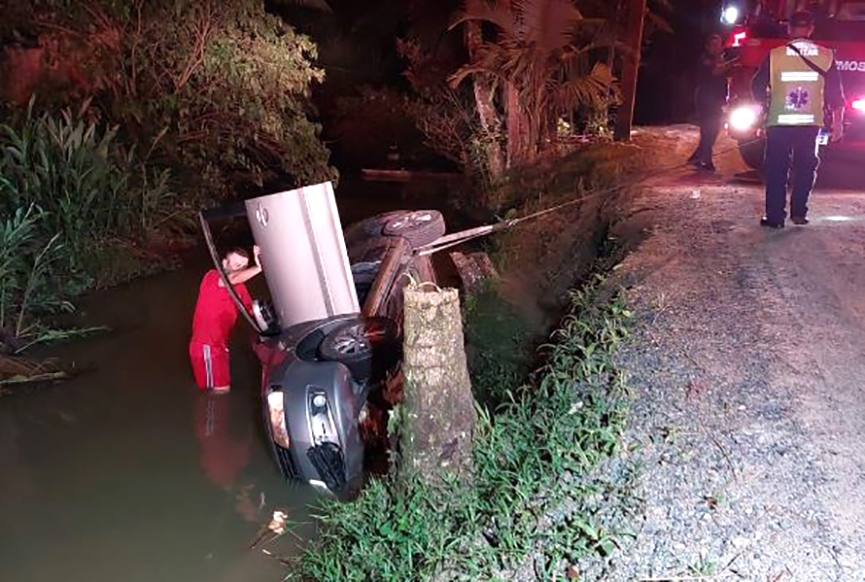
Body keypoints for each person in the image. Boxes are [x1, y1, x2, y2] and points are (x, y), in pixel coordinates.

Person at [751, 10, 845, 228]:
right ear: (810, 29)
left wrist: (762, 109)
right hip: (809, 124)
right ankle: (799, 212)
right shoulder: (826, 56)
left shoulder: (775, 55)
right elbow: (835, 94)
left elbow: (756, 87)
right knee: (806, 167)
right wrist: (838, 123)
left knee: (776, 169)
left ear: (789, 28)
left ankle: (775, 218)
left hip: (779, 122)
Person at [189, 246, 262, 393]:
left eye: (243, 267)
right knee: (220, 391)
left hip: (220, 346)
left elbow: (252, 311)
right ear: (224, 263)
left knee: (222, 389)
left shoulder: (240, 288)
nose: (240, 270)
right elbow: (232, 279)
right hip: (206, 346)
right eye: (236, 265)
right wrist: (259, 267)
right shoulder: (212, 277)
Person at [688, 34, 738, 172]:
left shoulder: (719, 58)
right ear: (708, 46)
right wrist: (733, 62)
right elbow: (716, 71)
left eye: (720, 44)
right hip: (706, 98)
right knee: (709, 129)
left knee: (712, 130)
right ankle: (706, 161)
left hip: (715, 99)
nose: (718, 47)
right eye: (714, 45)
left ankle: (698, 156)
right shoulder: (706, 59)